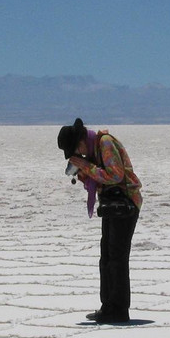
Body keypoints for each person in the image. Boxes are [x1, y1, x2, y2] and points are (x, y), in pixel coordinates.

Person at [57, 118, 143, 323]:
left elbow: (115, 175)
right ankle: (108, 306)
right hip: (113, 207)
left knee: (117, 258)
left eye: (76, 150)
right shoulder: (95, 148)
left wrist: (87, 166)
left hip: (125, 205)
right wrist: (85, 173)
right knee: (107, 258)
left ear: (80, 141)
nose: (79, 154)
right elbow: (101, 177)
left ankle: (119, 309)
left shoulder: (104, 144)